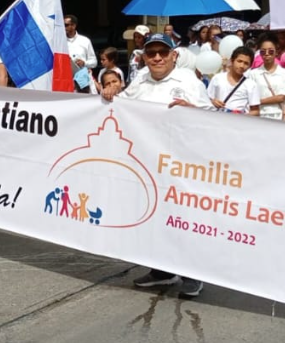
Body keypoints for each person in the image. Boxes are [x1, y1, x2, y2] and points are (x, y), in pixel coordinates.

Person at [102, 33, 214, 298]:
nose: (157, 58)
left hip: (179, 165)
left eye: (163, 52)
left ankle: (192, 274)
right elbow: (120, 105)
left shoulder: (189, 80)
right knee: (153, 219)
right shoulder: (140, 80)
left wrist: (192, 110)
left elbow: (212, 118)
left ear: (174, 55)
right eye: (151, 53)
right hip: (146, 165)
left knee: (181, 220)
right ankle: (162, 271)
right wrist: (111, 92)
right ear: (144, 57)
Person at [207, 46, 260, 115]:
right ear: (232, 60)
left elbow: (255, 111)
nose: (242, 66)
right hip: (217, 118)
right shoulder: (218, 78)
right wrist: (213, 101)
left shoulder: (251, 85)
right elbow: (207, 99)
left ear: (250, 66)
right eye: (239, 61)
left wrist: (242, 117)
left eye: (246, 63)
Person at [249, 34, 285, 120]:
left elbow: (281, 97)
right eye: (263, 52)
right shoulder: (253, 73)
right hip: (259, 115)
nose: (267, 54)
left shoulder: (284, 73)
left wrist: (257, 101)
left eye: (271, 51)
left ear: (276, 52)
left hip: (278, 115)